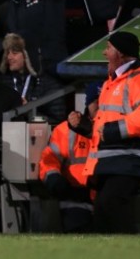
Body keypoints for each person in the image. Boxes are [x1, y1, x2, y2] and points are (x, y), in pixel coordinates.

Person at [82, 31, 140, 233]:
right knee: (104, 211)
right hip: (115, 160)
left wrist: (112, 131)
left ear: (119, 53)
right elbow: (104, 125)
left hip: (131, 157)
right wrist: (83, 127)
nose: (104, 53)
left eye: (108, 48)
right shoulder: (113, 82)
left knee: (112, 207)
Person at [38, 82, 99, 233]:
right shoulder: (66, 130)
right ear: (88, 102)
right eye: (95, 100)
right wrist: (54, 178)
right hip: (75, 200)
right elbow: (49, 159)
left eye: (104, 100)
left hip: (109, 199)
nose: (99, 105)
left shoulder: (117, 128)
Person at [0, 33, 66, 124]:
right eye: (7, 53)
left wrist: (29, 112)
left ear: (28, 56)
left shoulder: (49, 85)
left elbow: (58, 121)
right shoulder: (1, 82)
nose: (9, 57)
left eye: (14, 53)